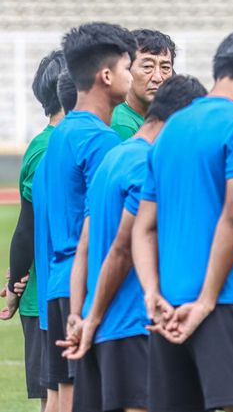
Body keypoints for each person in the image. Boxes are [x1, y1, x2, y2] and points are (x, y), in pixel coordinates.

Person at [131, 32, 233, 412]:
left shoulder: (169, 131)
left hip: (167, 308)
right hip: (225, 300)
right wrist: (206, 301)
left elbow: (143, 227)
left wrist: (152, 295)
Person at [57, 74, 206, 412]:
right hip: (134, 324)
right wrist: (90, 318)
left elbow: (85, 245)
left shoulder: (113, 158)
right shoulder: (147, 163)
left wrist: (79, 315)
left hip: (102, 328)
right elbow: (123, 249)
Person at [44, 22, 136, 412]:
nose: (132, 76)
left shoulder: (61, 134)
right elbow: (108, 226)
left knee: (69, 399)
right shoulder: (101, 141)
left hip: (58, 283)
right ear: (106, 75)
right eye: (129, 67)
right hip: (86, 284)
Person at [1, 49, 66, 412]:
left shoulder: (46, 143)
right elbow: (28, 229)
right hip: (48, 296)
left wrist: (15, 281)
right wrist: (16, 284)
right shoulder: (50, 148)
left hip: (45, 293)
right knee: (57, 395)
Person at [111, 29, 175, 139]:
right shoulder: (122, 125)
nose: (157, 77)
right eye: (147, 67)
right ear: (127, 69)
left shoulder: (165, 117)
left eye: (165, 68)